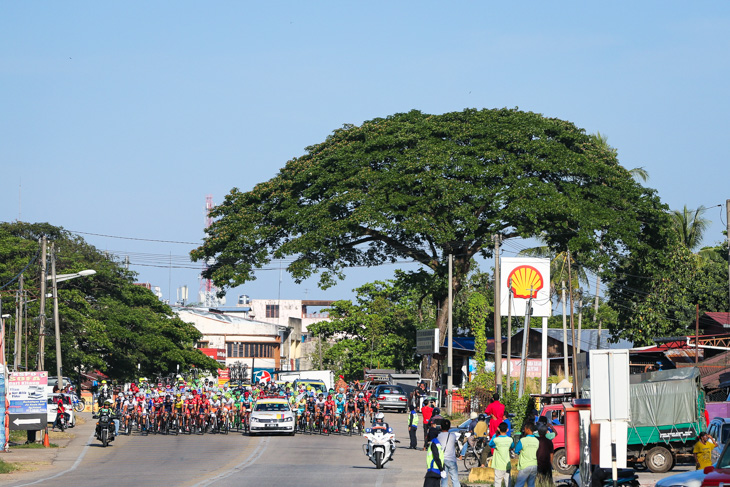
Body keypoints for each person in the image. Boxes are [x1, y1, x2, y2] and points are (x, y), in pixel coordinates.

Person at [514, 422, 539, 487]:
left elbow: (516, 450)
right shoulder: (536, 440)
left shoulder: (523, 440)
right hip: (534, 465)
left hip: (525, 465)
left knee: (519, 485)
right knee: (531, 484)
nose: (524, 430)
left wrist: (521, 452)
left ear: (528, 429)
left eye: (525, 429)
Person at [437, 419, 460, 487]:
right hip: (452, 460)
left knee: (444, 479)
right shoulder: (453, 436)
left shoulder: (438, 436)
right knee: (455, 479)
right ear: (449, 427)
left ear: (440, 427)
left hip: (442, 460)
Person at [489, 422, 513, 487]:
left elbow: (490, 444)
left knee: (497, 482)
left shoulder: (496, 440)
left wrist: (495, 434)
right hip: (507, 465)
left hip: (498, 465)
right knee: (508, 482)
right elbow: (512, 446)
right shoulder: (510, 440)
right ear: (507, 430)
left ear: (498, 429)